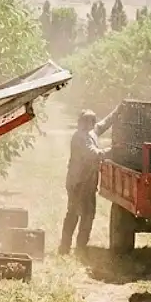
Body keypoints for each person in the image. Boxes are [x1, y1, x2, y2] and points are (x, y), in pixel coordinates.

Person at [60, 107, 116, 256]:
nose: (88, 123)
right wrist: (114, 150)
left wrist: (118, 110)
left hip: (87, 183)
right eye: (85, 120)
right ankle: (65, 247)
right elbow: (93, 154)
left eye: (91, 120)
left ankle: (80, 247)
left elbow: (105, 123)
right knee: (74, 214)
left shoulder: (90, 133)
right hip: (78, 183)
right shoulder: (80, 137)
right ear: (80, 122)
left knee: (88, 215)